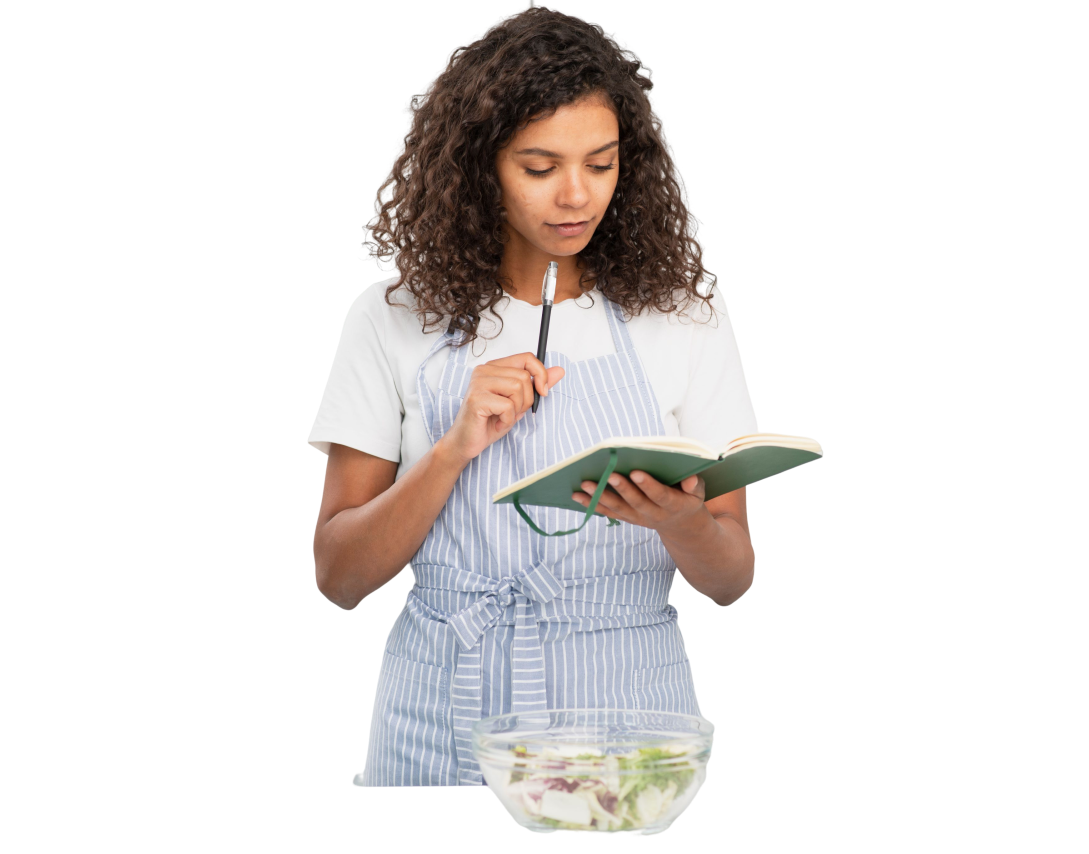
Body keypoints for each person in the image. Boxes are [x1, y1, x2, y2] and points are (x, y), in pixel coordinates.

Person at [308, 4, 758, 788]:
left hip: (626, 721)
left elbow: (731, 581)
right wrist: (452, 450)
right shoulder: (389, 318)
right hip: (440, 715)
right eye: (540, 168)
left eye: (602, 164)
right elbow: (340, 580)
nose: (576, 196)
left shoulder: (687, 314)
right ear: (479, 166)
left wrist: (681, 520)